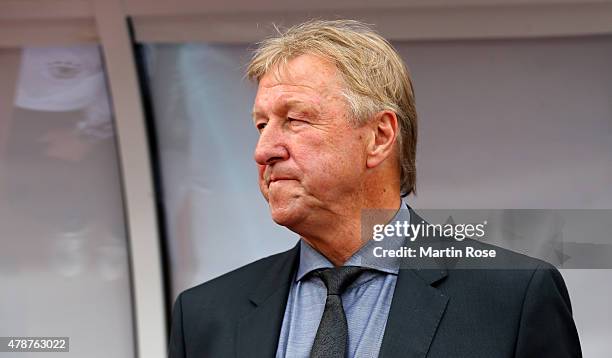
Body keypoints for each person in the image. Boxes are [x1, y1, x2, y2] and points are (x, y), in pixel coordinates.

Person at [168, 20, 581, 357]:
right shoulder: (205, 316)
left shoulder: (512, 298)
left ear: (380, 137)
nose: (263, 150)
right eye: (261, 125)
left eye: (295, 120)